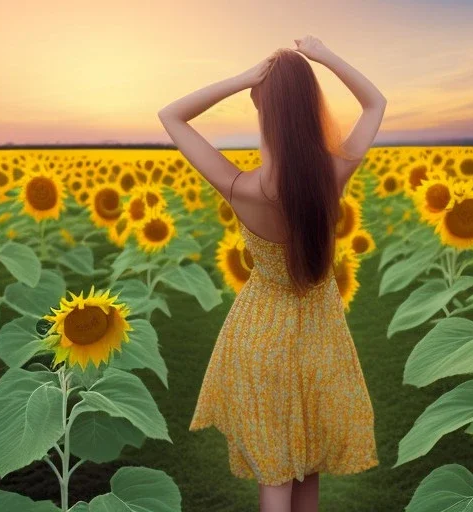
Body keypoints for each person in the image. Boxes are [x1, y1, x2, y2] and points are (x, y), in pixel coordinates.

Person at [158, 35, 387, 512]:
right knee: (308, 472)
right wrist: (322, 54)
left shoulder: (240, 187)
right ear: (309, 106)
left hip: (261, 333)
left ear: (264, 112)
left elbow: (171, 115)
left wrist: (245, 79)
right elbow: (375, 102)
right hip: (321, 335)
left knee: (274, 478)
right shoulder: (333, 173)